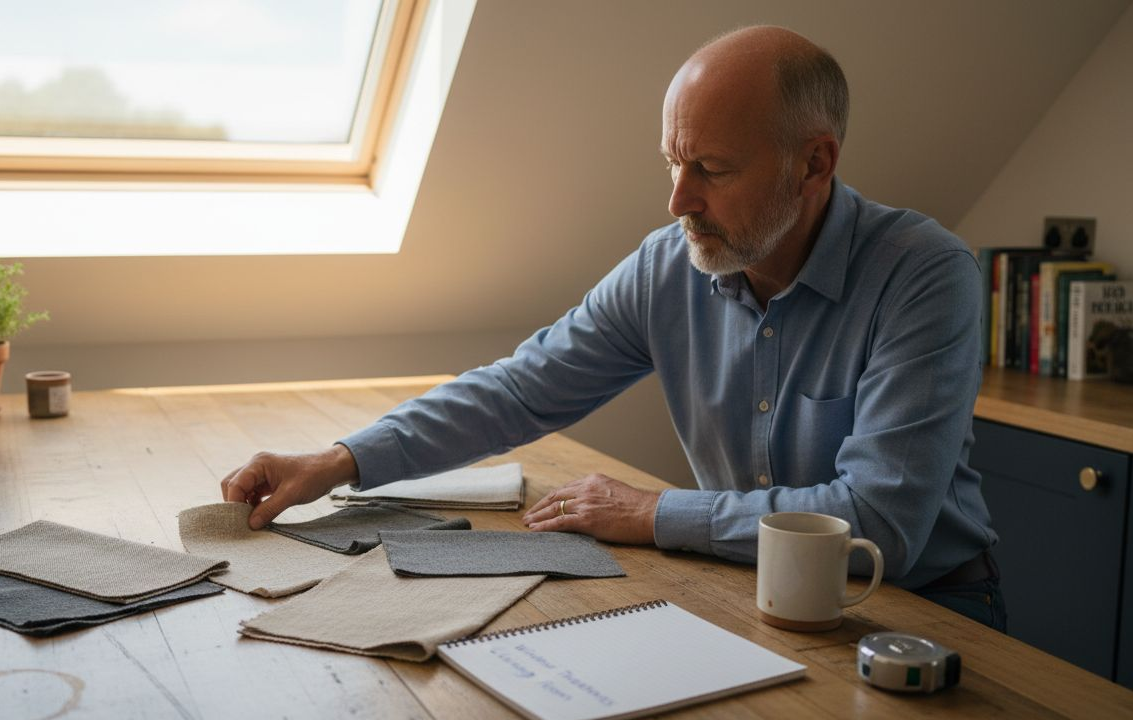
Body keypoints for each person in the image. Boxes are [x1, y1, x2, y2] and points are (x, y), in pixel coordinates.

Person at [222, 26, 1005, 630]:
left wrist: (651, 512)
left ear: (813, 164)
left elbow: (879, 523)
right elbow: (519, 391)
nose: (678, 201)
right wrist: (337, 461)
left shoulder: (925, 275)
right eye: (673, 162)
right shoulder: (673, 265)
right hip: (753, 588)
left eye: (713, 170)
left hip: (920, 610)